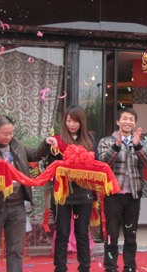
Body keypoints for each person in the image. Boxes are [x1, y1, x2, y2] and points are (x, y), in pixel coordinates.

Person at [0, 115, 57, 272]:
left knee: (16, 250)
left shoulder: (16, 145)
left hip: (17, 204)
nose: (9, 137)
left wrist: (46, 143)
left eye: (11, 133)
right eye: (5, 134)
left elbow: (35, 154)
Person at [98, 108, 147, 272]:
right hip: (113, 195)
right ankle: (110, 267)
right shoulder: (106, 141)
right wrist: (116, 147)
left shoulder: (141, 142)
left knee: (131, 234)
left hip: (133, 195)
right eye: (125, 118)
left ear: (135, 123)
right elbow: (102, 164)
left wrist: (137, 146)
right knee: (112, 234)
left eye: (131, 119)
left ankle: (129, 266)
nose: (128, 122)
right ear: (118, 122)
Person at [47, 105, 98, 272]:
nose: (71, 124)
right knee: (62, 232)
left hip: (83, 191)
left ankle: (84, 267)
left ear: (81, 122)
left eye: (75, 121)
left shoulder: (89, 139)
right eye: (68, 120)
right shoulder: (57, 139)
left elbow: (96, 162)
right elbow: (50, 164)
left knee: (82, 232)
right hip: (63, 192)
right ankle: (60, 268)